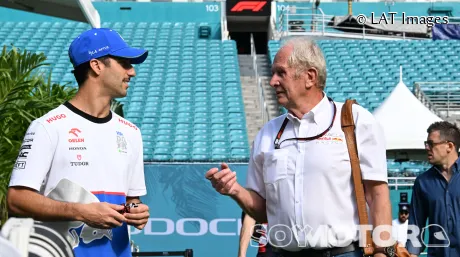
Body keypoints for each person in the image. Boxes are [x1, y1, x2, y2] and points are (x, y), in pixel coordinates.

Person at [206, 37, 393, 257]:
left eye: (281, 73)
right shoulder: (266, 134)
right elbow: (263, 212)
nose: (272, 81)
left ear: (310, 77)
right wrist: (235, 190)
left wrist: (383, 252)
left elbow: (377, 195)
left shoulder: (355, 121)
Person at [6, 28, 150, 257]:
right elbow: (16, 200)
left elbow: (132, 199)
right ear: (97, 66)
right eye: (124, 63)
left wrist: (136, 211)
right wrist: (82, 212)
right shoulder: (48, 127)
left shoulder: (131, 132)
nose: (132, 72)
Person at [407, 121, 460, 257]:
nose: (427, 148)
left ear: (449, 146)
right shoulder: (422, 182)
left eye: (431, 144)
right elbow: (416, 226)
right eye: (426, 144)